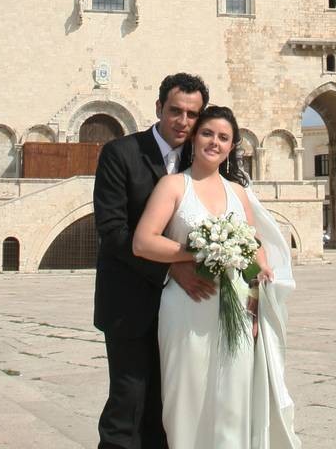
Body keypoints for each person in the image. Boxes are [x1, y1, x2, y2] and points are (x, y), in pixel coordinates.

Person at [133, 106, 302, 448]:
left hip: (237, 307)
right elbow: (143, 241)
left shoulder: (238, 193)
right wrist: (198, 252)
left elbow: (253, 246)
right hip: (187, 306)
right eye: (208, 133)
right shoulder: (173, 185)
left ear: (231, 147)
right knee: (187, 396)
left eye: (223, 138)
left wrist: (258, 290)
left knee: (233, 399)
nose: (214, 142)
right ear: (194, 138)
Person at [93, 73, 217, 449]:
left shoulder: (202, 163)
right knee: (128, 404)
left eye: (192, 115)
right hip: (130, 302)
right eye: (175, 111)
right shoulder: (121, 153)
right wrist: (171, 266)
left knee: (169, 407)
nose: (183, 121)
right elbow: (113, 230)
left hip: (184, 309)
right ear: (159, 108)